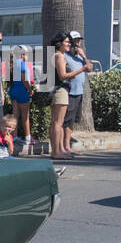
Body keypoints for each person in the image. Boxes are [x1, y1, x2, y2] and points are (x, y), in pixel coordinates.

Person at [49, 32, 83, 160]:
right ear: (59, 43)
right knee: (58, 123)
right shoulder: (59, 56)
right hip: (61, 90)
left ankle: (57, 150)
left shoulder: (57, 55)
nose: (70, 44)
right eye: (67, 42)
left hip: (58, 90)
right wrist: (81, 70)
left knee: (54, 123)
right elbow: (63, 76)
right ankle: (57, 152)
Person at [64, 30, 90, 154]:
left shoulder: (79, 55)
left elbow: (89, 68)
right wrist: (82, 69)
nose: (78, 43)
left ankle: (67, 145)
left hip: (79, 92)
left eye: (79, 40)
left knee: (72, 120)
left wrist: (84, 57)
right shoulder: (65, 55)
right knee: (66, 120)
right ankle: (64, 146)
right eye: (75, 41)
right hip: (69, 92)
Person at [8, 45, 34, 149]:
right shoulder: (22, 64)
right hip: (22, 91)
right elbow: (24, 80)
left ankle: (14, 137)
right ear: (23, 54)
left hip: (14, 90)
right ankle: (28, 138)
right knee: (25, 116)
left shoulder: (13, 64)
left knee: (15, 116)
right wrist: (30, 90)